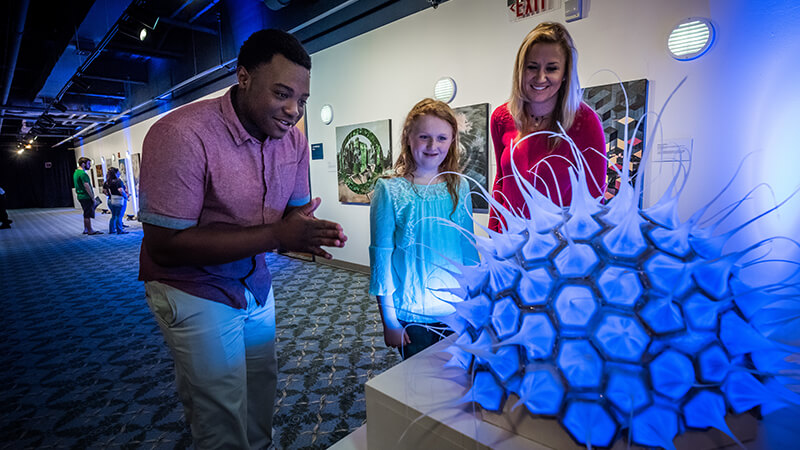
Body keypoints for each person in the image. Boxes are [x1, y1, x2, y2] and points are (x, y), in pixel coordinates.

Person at [137, 29, 346, 450]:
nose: (293, 110)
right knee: (220, 414)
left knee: (259, 395)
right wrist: (277, 235)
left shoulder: (295, 141)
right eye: (282, 93)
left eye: (302, 100)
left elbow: (293, 215)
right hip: (192, 287)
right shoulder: (182, 134)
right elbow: (166, 245)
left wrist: (304, 233)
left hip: (254, 282)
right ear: (244, 76)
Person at [369, 98, 479, 360]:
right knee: (418, 385)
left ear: (452, 141)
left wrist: (475, 304)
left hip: (455, 309)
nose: (433, 146)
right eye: (424, 137)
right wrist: (390, 321)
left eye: (442, 138)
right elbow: (381, 259)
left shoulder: (459, 186)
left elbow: (469, 249)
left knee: (455, 381)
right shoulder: (389, 189)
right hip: (412, 314)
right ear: (408, 137)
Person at [489, 22, 607, 232]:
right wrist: (494, 235)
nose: (540, 77)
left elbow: (595, 199)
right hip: (510, 243)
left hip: (559, 250)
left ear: (565, 74)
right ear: (520, 70)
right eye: (532, 67)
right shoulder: (501, 117)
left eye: (551, 68)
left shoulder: (585, 121)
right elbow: (501, 181)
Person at [73, 157, 102, 235]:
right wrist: (92, 197)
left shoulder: (76, 173)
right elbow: (86, 186)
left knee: (86, 213)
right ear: (83, 164)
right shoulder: (83, 174)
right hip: (86, 196)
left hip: (80, 196)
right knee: (87, 214)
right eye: (88, 164)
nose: (89, 166)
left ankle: (86, 229)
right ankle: (90, 230)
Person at [102, 167, 129, 234]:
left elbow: (104, 191)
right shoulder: (118, 181)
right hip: (119, 200)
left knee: (113, 215)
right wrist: (126, 197)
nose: (119, 173)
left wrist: (110, 195)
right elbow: (121, 190)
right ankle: (120, 230)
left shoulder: (107, 182)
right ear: (115, 173)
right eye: (118, 172)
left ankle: (112, 230)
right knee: (119, 216)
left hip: (110, 200)